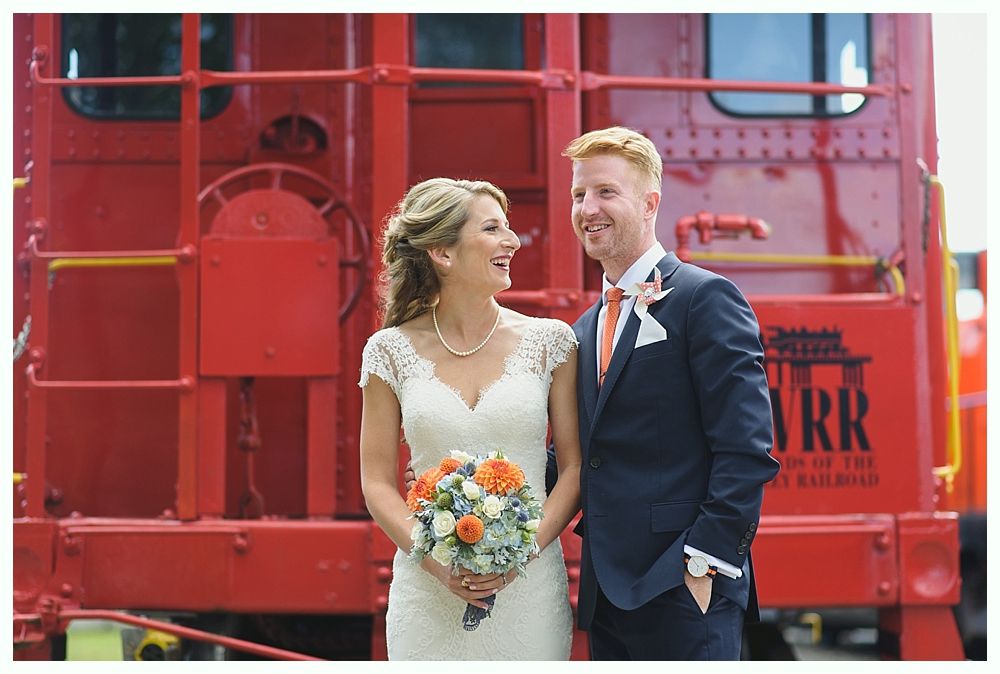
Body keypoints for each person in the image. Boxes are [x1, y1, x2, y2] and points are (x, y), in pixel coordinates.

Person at [564, 126, 780, 660]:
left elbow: (746, 445)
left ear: (650, 202)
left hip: (683, 586)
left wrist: (703, 560)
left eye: (606, 192)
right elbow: (579, 454)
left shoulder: (705, 298)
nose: (588, 207)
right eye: (579, 194)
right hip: (606, 592)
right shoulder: (587, 325)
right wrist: (477, 483)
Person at [358, 177, 581, 660]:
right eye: (493, 229)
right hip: (427, 591)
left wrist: (521, 554)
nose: (513, 241)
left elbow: (575, 469)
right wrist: (437, 564)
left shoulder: (553, 342)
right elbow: (376, 482)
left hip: (530, 586)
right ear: (443, 253)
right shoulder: (388, 351)